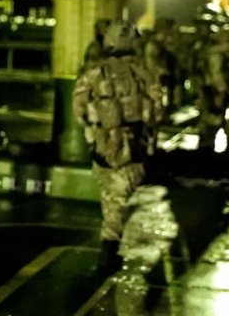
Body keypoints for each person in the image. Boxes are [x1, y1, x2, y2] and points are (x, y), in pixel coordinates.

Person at [73, 20, 164, 275]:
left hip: (103, 144)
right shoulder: (142, 72)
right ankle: (109, 246)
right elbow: (158, 108)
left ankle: (109, 246)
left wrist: (93, 128)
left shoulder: (94, 72)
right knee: (120, 197)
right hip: (133, 144)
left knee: (110, 197)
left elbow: (78, 108)